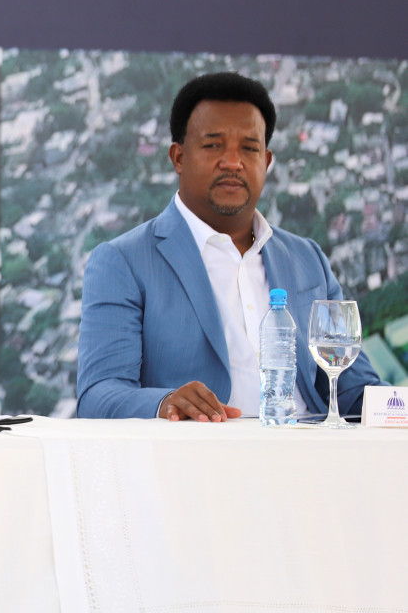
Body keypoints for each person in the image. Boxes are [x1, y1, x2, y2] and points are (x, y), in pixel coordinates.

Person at [77, 71, 381, 421]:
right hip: (198, 451)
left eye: (249, 148)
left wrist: (396, 405)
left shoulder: (307, 258)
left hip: (307, 448)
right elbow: (98, 395)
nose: (233, 162)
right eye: (213, 145)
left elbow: (355, 390)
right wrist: (165, 403)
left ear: (266, 162)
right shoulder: (123, 262)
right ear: (178, 157)